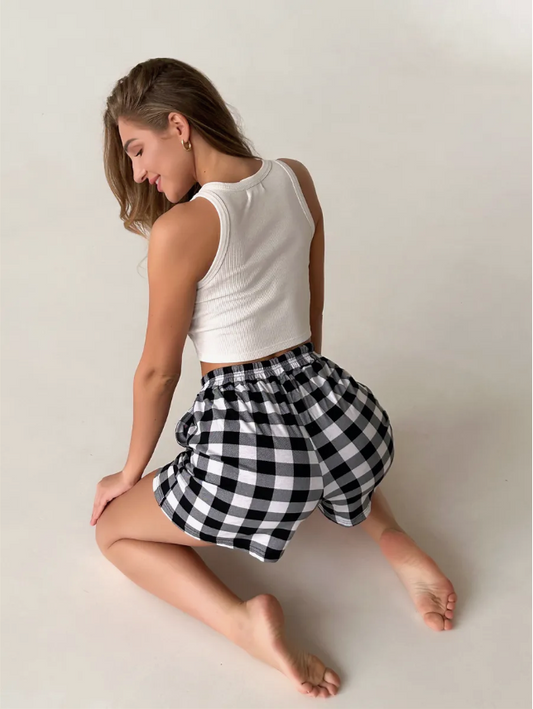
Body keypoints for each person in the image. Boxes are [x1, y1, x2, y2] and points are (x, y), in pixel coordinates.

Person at [91, 58, 456, 699]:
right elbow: (313, 307)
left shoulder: (184, 227)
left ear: (178, 125)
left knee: (112, 531)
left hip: (254, 458)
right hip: (345, 415)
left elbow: (157, 372)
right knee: (319, 457)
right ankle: (389, 533)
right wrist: (306, 406)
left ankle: (244, 622)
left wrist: (127, 474)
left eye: (138, 149)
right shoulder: (294, 177)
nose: (139, 172)